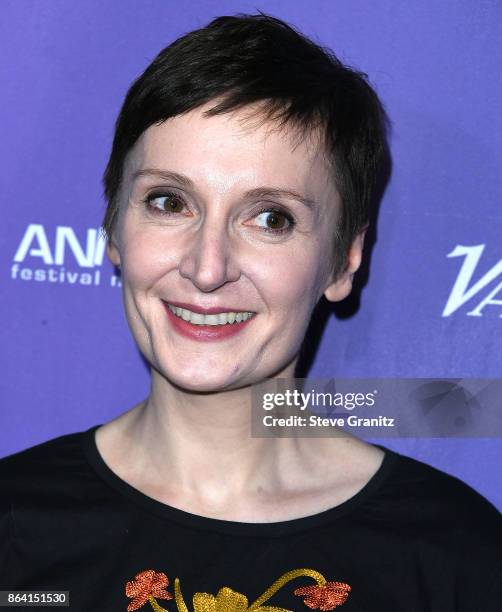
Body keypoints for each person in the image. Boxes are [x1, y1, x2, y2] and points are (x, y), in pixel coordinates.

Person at [1, 12, 500, 612]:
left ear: (344, 259)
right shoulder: (14, 527)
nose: (208, 268)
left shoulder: (454, 554)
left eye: (271, 219)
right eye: (169, 201)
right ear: (114, 227)